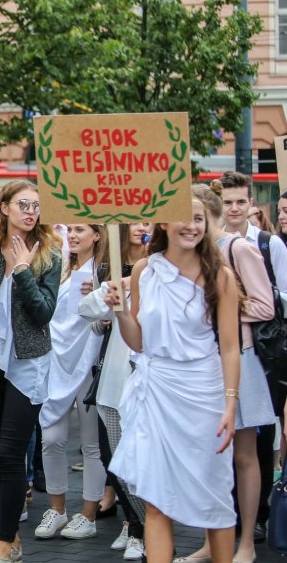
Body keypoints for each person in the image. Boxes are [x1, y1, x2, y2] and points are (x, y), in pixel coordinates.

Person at [106, 195, 240, 563]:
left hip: (205, 394)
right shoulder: (144, 271)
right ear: (162, 223)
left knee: (215, 495)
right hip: (157, 391)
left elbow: (230, 347)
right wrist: (119, 313)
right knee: (156, 498)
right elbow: (139, 342)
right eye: (183, 217)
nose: (191, 225)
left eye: (198, 218)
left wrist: (230, 403)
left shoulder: (220, 275)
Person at [173, 184, 277, 563]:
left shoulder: (238, 248)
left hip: (242, 357)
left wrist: (224, 309)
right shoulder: (189, 257)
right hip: (204, 360)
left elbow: (266, 307)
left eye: (195, 217)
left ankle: (247, 542)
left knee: (244, 454)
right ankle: (211, 541)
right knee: (209, 454)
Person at [0, 181, 62, 563]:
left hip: (28, 363)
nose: (30, 211)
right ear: (3, 208)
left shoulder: (49, 254)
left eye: (36, 206)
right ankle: (12, 538)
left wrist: (22, 271)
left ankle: (4, 542)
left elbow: (43, 314)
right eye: (22, 204)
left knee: (10, 452)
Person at [219, 171, 287, 540]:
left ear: (251, 204)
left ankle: (256, 518)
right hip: (227, 353)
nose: (234, 208)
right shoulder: (209, 245)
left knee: (260, 440)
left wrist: (226, 310)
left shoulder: (265, 243)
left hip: (263, 352)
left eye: (240, 201)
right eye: (227, 202)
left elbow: (279, 301)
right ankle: (232, 520)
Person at [78, 222, 150, 560]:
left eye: (150, 222)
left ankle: (143, 529)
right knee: (118, 460)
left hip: (150, 384)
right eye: (137, 221)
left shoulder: (165, 274)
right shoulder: (119, 272)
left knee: (143, 461)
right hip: (113, 383)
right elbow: (89, 310)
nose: (143, 228)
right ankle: (135, 523)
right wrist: (115, 287)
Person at [36, 225, 108, 540]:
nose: (73, 235)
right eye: (72, 229)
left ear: (97, 235)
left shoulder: (106, 271)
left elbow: (111, 317)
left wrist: (101, 295)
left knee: (91, 444)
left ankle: (89, 513)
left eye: (81, 230)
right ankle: (57, 508)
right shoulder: (58, 266)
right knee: (51, 438)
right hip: (55, 360)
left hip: (89, 363)